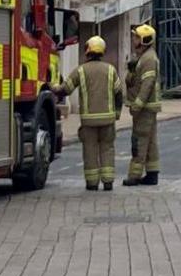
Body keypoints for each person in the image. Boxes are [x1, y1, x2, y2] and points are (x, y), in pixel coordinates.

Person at [68, 36, 123, 191]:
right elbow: (119, 93)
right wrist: (117, 113)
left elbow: (66, 88)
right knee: (107, 149)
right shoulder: (111, 70)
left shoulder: (81, 70)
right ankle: (108, 182)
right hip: (108, 120)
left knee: (90, 150)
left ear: (88, 51)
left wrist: (51, 86)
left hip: (88, 121)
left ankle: (92, 183)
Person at [123, 24, 162, 187]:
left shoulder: (148, 59)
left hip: (145, 108)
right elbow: (134, 81)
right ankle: (152, 174)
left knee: (139, 141)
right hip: (148, 107)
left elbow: (147, 84)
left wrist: (137, 105)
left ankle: (134, 175)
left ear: (145, 40)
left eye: (136, 37)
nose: (133, 40)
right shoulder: (143, 57)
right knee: (150, 141)